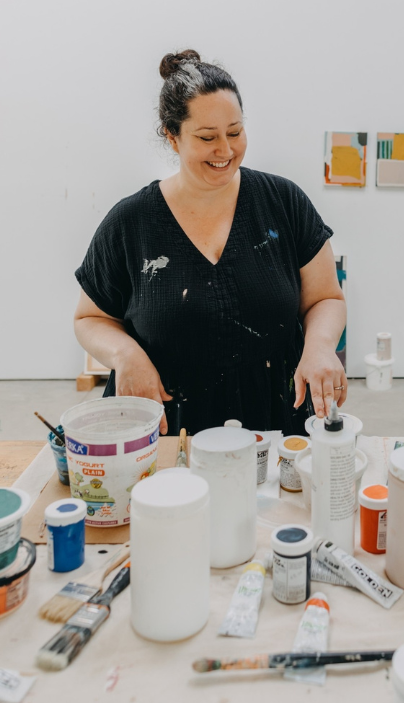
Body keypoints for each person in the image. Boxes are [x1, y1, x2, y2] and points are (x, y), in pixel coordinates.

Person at [74, 49, 347, 437]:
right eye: (207, 137)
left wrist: (320, 346)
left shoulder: (283, 202)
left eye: (235, 132)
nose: (225, 150)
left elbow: (326, 298)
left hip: (275, 425)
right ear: (173, 137)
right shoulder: (130, 222)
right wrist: (124, 354)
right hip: (173, 434)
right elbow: (89, 319)